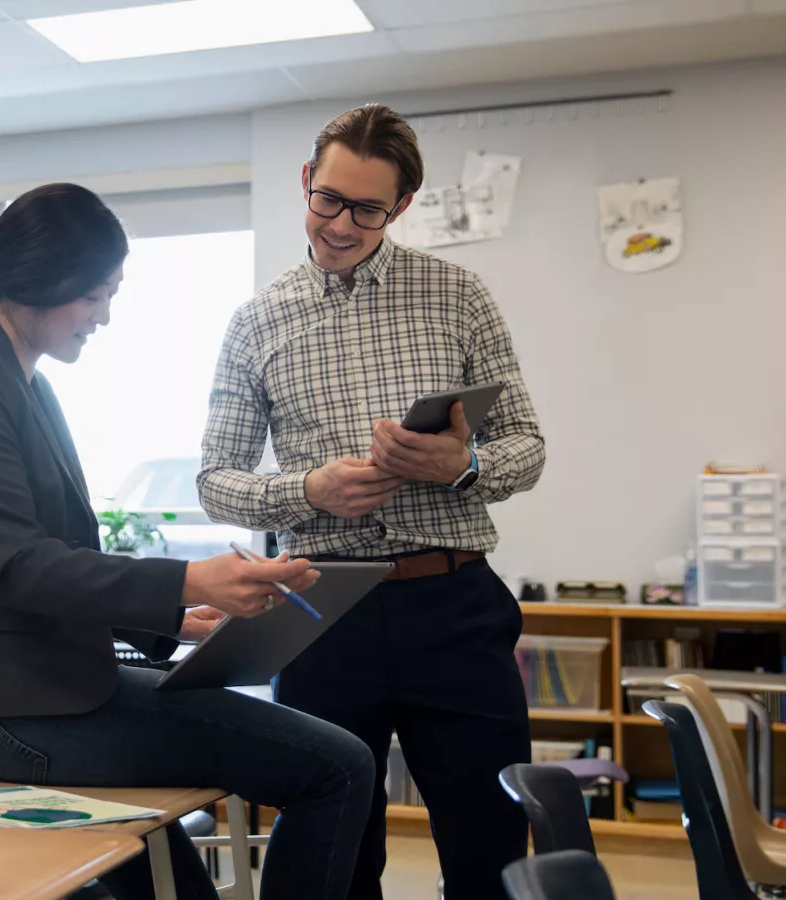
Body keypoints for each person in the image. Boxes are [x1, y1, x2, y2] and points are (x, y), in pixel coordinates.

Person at [0, 183, 374, 900]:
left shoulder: (23, 383)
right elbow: (19, 567)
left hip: (50, 690)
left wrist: (176, 619)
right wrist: (188, 582)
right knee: (339, 767)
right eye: (95, 296)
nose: (103, 317)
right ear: (44, 279)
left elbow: (54, 565)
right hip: (4, 713)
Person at [197, 105, 546, 900]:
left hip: (453, 607)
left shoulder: (458, 294)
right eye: (327, 199)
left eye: (366, 209)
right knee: (336, 858)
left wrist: (461, 464)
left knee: (491, 849)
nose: (340, 224)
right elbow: (215, 477)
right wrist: (305, 490)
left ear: (402, 207)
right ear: (306, 182)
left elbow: (528, 447)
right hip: (322, 616)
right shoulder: (256, 323)